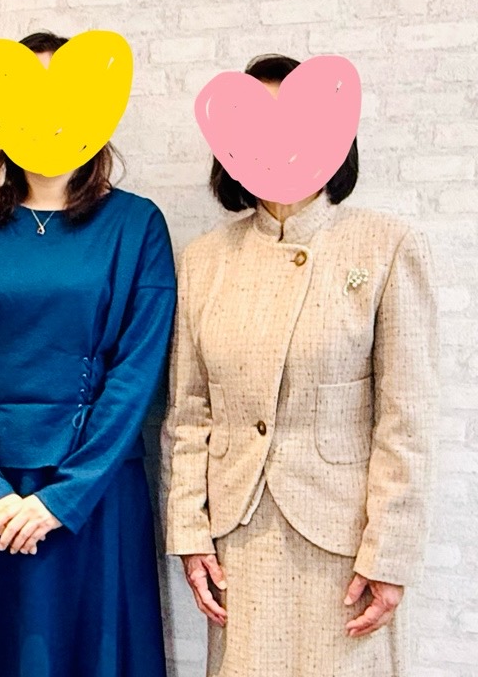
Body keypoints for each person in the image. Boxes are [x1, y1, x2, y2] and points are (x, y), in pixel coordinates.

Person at [0, 32, 176, 677]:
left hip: (94, 494)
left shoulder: (137, 225)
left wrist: (64, 498)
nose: (50, 115)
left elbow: (136, 377)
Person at [162, 54, 438, 676]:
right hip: (239, 539)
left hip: (347, 544)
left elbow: (407, 418)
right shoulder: (205, 260)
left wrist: (390, 554)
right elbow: (189, 412)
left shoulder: (387, 245)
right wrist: (189, 533)